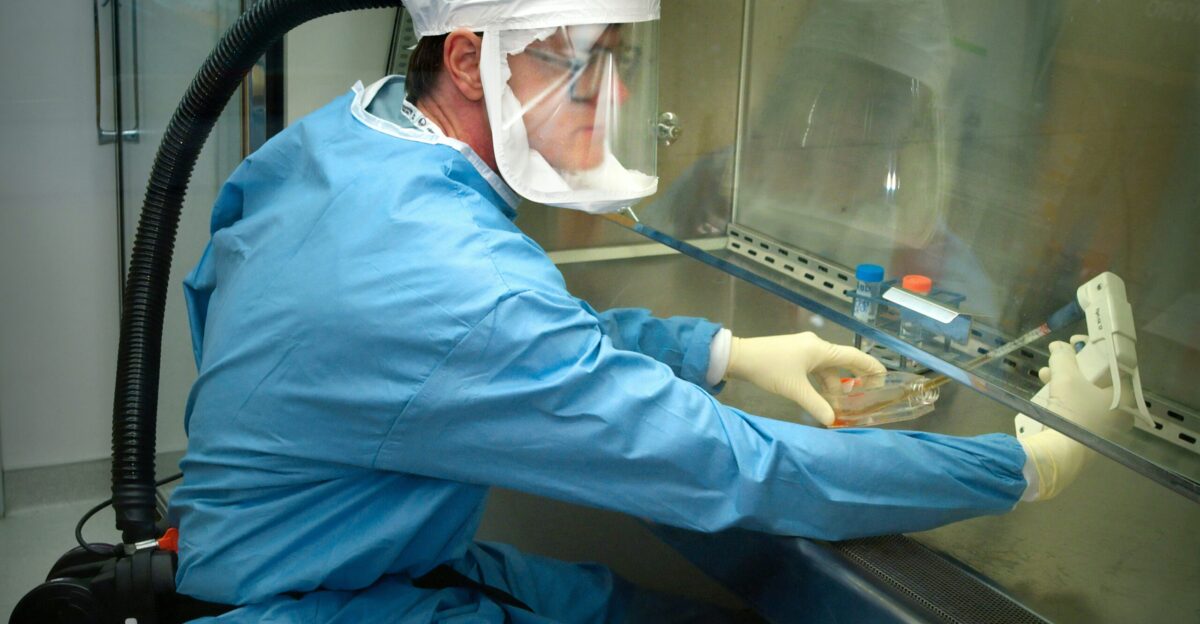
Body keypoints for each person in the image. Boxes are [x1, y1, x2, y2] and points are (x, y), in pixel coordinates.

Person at [167, 1, 1123, 622]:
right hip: (315, 601)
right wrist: (1021, 464)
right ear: (467, 59)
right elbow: (738, 469)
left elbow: (469, 345)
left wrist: (725, 350)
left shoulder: (346, 141)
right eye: (582, 61)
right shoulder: (458, 280)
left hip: (324, 556)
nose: (613, 97)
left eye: (625, 60)